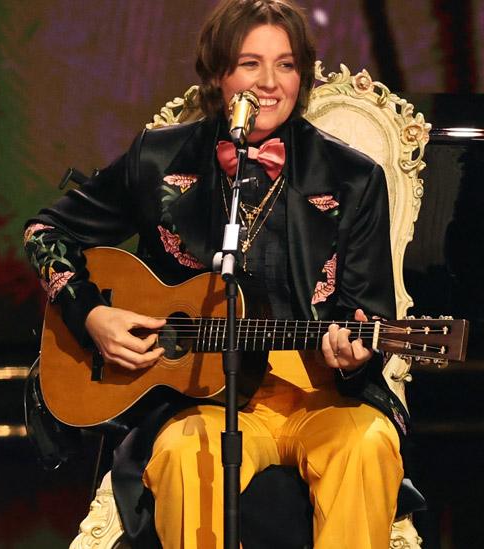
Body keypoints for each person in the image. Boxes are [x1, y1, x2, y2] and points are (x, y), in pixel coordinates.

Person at [24, 1, 409, 547]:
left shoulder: (353, 178)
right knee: (186, 456)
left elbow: (369, 311)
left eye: (287, 64)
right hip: (200, 403)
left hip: (322, 399)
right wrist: (92, 314)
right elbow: (45, 233)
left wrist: (357, 351)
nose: (270, 83)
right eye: (250, 64)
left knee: (368, 444)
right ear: (217, 73)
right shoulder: (160, 159)